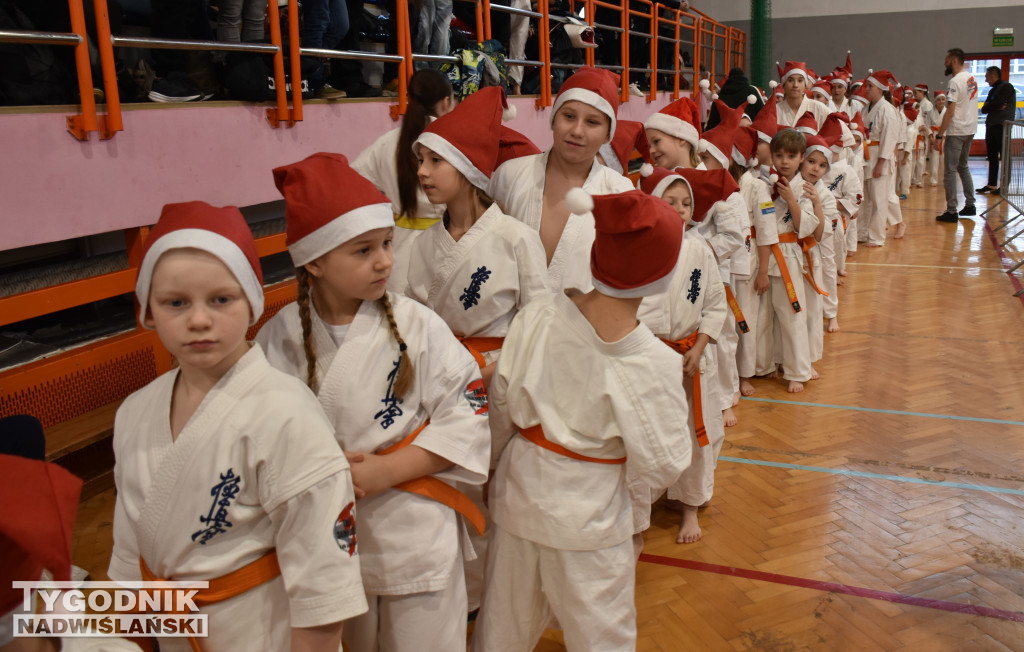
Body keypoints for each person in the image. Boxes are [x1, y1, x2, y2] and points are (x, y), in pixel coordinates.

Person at [256, 153, 490, 652]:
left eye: (386, 243)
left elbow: (466, 408)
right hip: (327, 533)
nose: (385, 260)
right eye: (363, 250)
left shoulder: (417, 323)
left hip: (415, 521)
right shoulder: (279, 339)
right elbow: (258, 437)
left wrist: (391, 469)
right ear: (314, 261)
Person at [108, 201, 366, 652]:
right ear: (147, 311)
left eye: (220, 299)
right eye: (176, 303)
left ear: (252, 303)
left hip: (259, 630)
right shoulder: (134, 411)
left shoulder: (284, 412)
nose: (199, 319)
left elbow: (324, 585)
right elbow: (130, 554)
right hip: (173, 629)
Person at [473, 186, 690, 651]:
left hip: (519, 495)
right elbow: (667, 463)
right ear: (663, 277)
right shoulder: (653, 361)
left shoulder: (538, 316)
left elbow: (501, 408)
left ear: (596, 256)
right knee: (601, 636)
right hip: (589, 516)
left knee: (502, 627)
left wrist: (492, 468)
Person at [405, 87, 549, 614]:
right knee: (450, 487)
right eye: (420, 159)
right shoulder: (420, 244)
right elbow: (409, 320)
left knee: (500, 490)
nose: (423, 171)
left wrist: (498, 369)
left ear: (466, 169)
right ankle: (461, 596)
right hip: (441, 382)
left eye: (435, 160)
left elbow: (540, 318)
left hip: (500, 381)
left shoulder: (514, 237)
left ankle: (502, 595)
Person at [488, 67, 635, 293]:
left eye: (592, 122)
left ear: (608, 135)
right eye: (569, 116)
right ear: (553, 119)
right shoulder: (509, 175)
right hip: (508, 324)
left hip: (582, 324)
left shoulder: (619, 192)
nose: (577, 131)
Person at [353, 69, 455, 294]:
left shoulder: (387, 143)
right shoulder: (452, 143)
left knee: (400, 319)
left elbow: (352, 180)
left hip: (398, 251)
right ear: (446, 102)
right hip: (447, 246)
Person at [755, 129, 816, 393]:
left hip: (789, 256)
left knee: (792, 315)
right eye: (778, 155)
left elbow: (808, 228)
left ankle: (797, 370)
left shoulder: (805, 188)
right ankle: (766, 364)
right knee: (763, 316)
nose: (784, 161)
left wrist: (792, 199)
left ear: (802, 158)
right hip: (763, 254)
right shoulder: (763, 183)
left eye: (791, 156)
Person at [932, 48, 978, 223]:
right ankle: (970, 204)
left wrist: (940, 135)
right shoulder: (971, 78)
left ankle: (951, 210)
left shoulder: (954, 82)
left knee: (950, 170)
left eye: (947, 59)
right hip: (970, 129)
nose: (945, 63)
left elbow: (950, 111)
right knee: (963, 166)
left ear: (953, 60)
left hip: (957, 130)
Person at [857, 70, 900, 247]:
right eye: (866, 86)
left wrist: (881, 163)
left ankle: (877, 237)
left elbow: (890, 138)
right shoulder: (865, 108)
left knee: (879, 200)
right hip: (866, 157)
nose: (866, 89)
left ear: (881, 89)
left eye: (870, 86)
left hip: (878, 159)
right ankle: (863, 232)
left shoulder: (888, 110)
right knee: (865, 199)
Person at [978, 66, 1016, 194]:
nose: (985, 79)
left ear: (993, 76)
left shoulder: (1007, 87)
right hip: (991, 125)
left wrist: (992, 106)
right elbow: (984, 108)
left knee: (1004, 156)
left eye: (986, 76)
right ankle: (992, 184)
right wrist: (993, 106)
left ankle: (1004, 186)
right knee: (992, 156)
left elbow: (999, 104)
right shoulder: (992, 90)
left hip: (1002, 126)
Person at [776, 61, 830, 130]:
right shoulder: (774, 111)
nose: (795, 85)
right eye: (790, 80)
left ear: (805, 85)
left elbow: (845, 136)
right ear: (783, 85)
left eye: (800, 80)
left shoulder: (819, 108)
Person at [911, 84, 934, 188]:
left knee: (921, 159)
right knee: (914, 161)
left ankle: (918, 178)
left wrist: (929, 134)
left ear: (923, 92)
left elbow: (927, 121)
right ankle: (913, 178)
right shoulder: (918, 105)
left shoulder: (927, 105)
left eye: (916, 93)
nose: (914, 95)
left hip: (923, 135)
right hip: (915, 136)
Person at [926, 91, 947, 187]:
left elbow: (949, 125)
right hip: (934, 135)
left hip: (944, 137)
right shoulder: (930, 113)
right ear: (935, 101)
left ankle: (946, 179)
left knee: (944, 159)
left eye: (943, 99)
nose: (941, 101)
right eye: (938, 99)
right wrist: (930, 137)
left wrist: (943, 136)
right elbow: (927, 125)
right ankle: (934, 179)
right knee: (934, 159)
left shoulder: (947, 112)